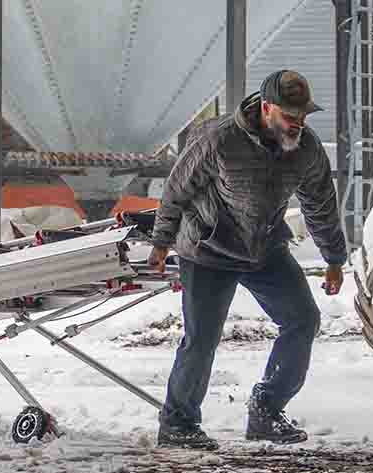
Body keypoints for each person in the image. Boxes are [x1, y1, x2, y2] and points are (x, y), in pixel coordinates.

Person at [147, 70, 347, 450]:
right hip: (209, 249)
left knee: (303, 320)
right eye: (290, 117)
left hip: (264, 246)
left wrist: (334, 257)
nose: (298, 124)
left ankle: (267, 410)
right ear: (267, 107)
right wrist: (161, 242)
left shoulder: (305, 148)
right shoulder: (219, 139)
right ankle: (177, 424)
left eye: (303, 116)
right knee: (202, 339)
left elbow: (320, 203)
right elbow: (176, 189)